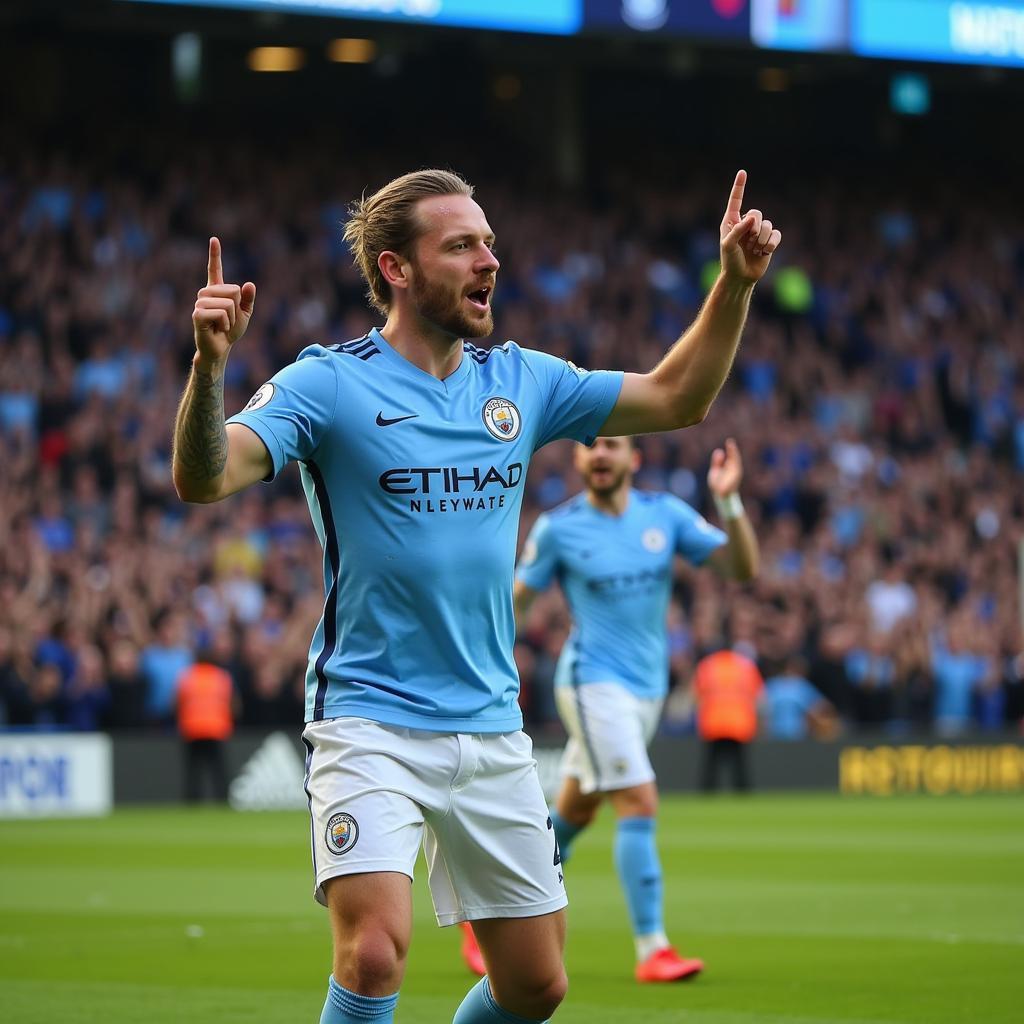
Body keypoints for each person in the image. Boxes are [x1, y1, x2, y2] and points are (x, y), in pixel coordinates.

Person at [172, 167, 780, 1024]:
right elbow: (203, 477)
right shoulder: (328, 383)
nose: (489, 259)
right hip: (367, 713)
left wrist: (735, 285)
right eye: (461, 245)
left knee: (536, 986)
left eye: (489, 241)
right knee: (374, 953)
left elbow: (678, 397)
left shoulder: (521, 381)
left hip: (491, 724)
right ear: (397, 269)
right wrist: (208, 370)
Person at [495, 434, 758, 984]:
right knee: (638, 799)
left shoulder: (665, 516)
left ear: (634, 459)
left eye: (611, 445)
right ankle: (652, 948)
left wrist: (729, 502)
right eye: (589, 447)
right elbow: (513, 603)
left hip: (646, 691)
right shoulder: (559, 529)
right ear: (578, 460)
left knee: (576, 811)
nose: (599, 455)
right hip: (591, 684)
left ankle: (493, 913)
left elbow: (739, 569)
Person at [693, 645, 764, 792]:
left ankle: (708, 794)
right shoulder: (746, 665)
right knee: (739, 763)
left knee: (712, 763)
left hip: (714, 721)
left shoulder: (707, 665)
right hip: (739, 721)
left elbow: (697, 695)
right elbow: (759, 696)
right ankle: (743, 794)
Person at [176, 649, 236, 802]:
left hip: (192, 729)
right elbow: (232, 703)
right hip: (216, 728)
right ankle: (223, 799)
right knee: (218, 769)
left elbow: (177, 702)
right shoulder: (221, 676)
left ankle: (192, 800)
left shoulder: (187, 676)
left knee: (194, 770)